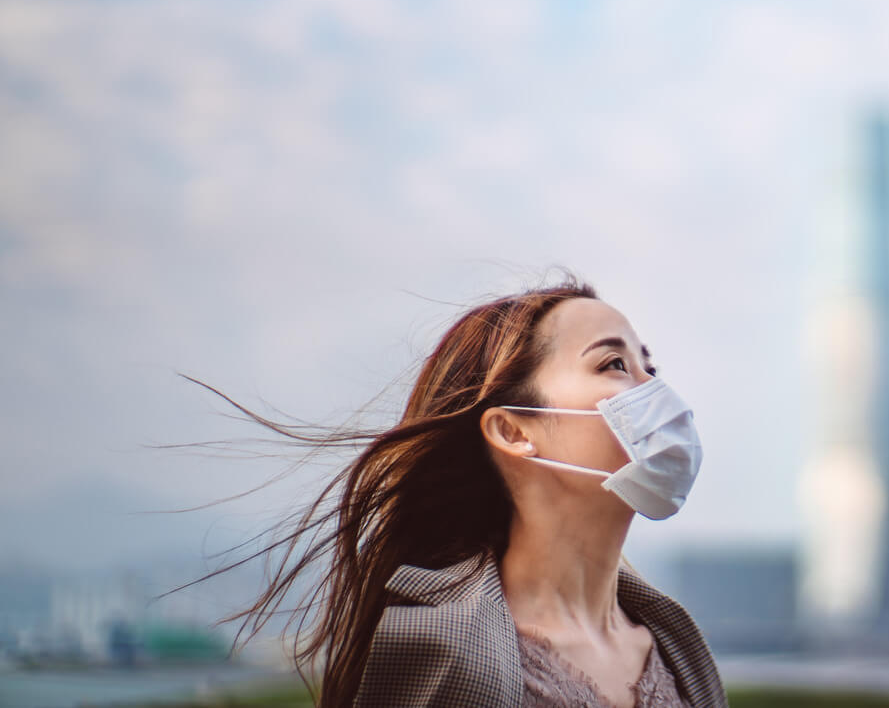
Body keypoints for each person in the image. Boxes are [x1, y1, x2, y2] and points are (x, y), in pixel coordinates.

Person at [223, 277, 727, 708]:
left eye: (650, 369)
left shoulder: (672, 645)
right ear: (513, 432)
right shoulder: (447, 653)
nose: (655, 393)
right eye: (614, 364)